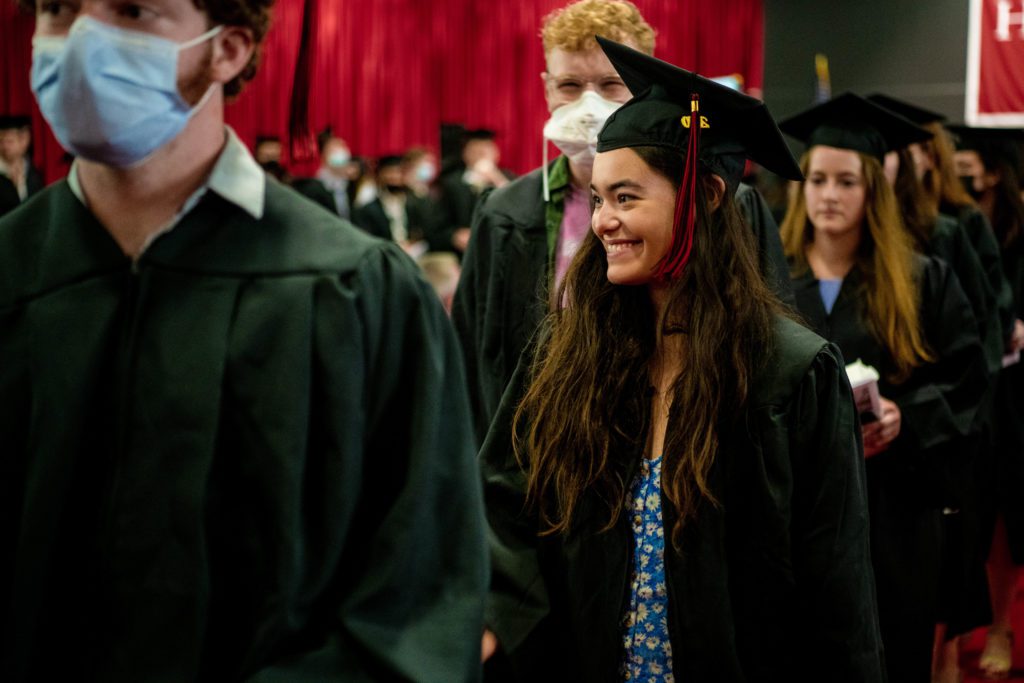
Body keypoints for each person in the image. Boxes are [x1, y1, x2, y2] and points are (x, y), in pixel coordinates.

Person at [0, 1, 487, 680]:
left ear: (227, 50)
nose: (79, 41)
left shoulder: (355, 291)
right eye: (56, 9)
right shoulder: (13, 274)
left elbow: (413, 609)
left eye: (133, 10)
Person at [481, 37, 884, 682]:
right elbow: (504, 500)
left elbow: (836, 584)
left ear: (708, 196)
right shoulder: (567, 355)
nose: (605, 220)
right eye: (603, 197)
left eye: (628, 197)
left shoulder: (791, 373)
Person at [453, 0, 793, 444]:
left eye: (611, 84)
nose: (588, 103)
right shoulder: (503, 212)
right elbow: (471, 350)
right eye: (570, 84)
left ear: (643, 85)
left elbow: (770, 334)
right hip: (535, 445)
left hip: (679, 436)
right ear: (547, 88)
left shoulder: (725, 204)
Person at [778, 93, 989, 683]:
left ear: (872, 190)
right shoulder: (770, 279)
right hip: (800, 514)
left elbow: (969, 383)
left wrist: (906, 417)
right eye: (816, 178)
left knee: (893, 652)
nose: (828, 194)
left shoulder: (922, 281)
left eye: (846, 181)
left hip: (893, 511)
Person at [951, 125, 1024, 679]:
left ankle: (1001, 625)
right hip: (975, 388)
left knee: (1007, 517)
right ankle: (955, 637)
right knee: (969, 516)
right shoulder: (953, 226)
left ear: (994, 171)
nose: (959, 171)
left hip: (1019, 395)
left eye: (968, 163)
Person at [437, 128, 513, 255]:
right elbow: (438, 223)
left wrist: (496, 178)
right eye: (475, 151)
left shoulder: (508, 179)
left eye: (485, 151)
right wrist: (454, 235)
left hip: (501, 247)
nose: (481, 155)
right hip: (464, 252)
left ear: (496, 153)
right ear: (465, 154)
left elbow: (518, 207)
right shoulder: (451, 183)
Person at [352, 155, 435, 256]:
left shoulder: (417, 203)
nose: (394, 178)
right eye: (390, 173)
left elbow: (427, 231)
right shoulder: (369, 210)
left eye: (399, 173)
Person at [0, 114, 44, 201]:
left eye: (10, 141)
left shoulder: (32, 172)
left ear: (24, 141)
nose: (5, 146)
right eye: (1, 141)